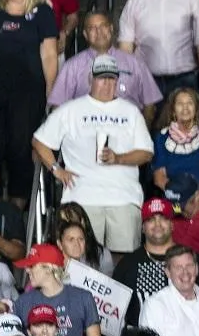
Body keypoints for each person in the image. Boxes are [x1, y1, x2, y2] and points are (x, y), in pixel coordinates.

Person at [32, 57, 153, 255]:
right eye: (102, 78)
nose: (107, 84)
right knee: (82, 258)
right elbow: (39, 141)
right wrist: (56, 169)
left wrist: (118, 158)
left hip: (123, 195)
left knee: (123, 258)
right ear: (91, 79)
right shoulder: (70, 109)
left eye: (112, 79)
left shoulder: (131, 112)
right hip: (81, 196)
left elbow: (146, 152)